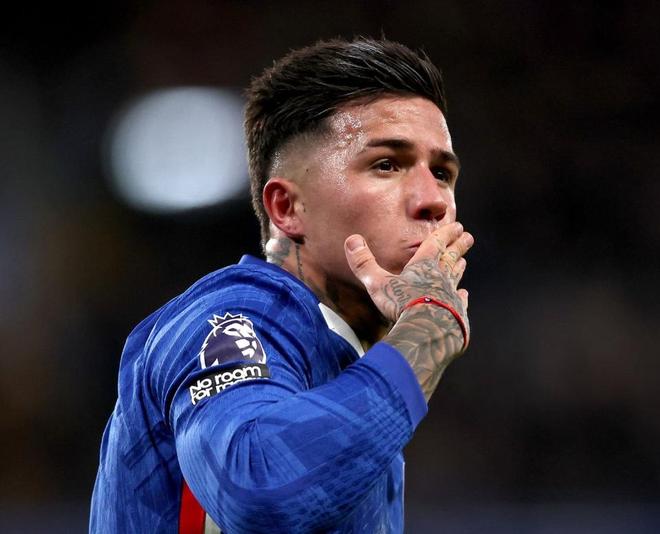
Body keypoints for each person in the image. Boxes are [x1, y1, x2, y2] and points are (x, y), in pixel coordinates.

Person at [91, 37, 474, 534]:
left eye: (442, 172)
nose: (433, 200)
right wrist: (427, 330)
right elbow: (261, 488)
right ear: (287, 208)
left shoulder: (352, 374)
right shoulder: (232, 316)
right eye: (386, 164)